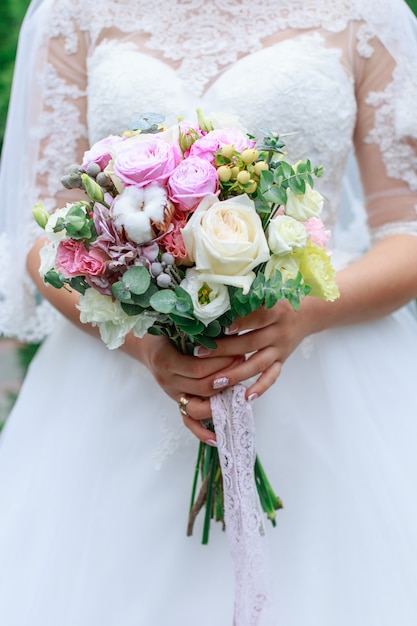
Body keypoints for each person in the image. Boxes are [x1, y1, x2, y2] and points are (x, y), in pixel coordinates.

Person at [0, 0, 417, 624]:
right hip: (117, 377)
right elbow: (43, 234)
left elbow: (407, 229)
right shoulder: (72, 11)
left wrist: (301, 314)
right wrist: (147, 346)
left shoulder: (370, 13)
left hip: (319, 373)